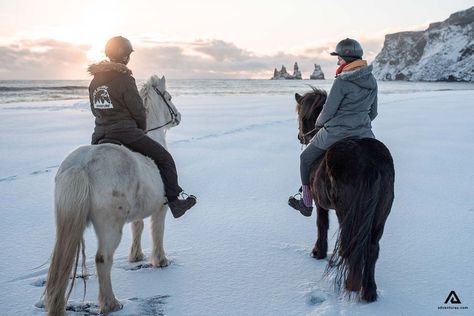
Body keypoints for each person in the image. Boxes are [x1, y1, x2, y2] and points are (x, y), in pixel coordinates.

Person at [88, 36, 196, 218]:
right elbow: (138, 110)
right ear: (125, 57)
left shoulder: (94, 82)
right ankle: (175, 202)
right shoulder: (125, 79)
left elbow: (94, 110)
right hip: (126, 133)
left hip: (98, 135)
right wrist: (140, 129)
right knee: (165, 159)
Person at [288, 38, 378, 216]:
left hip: (336, 133)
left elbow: (328, 112)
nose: (337, 61)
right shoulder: (372, 80)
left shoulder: (342, 81)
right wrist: (359, 123)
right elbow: (373, 113)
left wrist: (319, 124)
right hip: (365, 134)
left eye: (339, 58)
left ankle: (306, 202)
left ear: (345, 59)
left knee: (305, 158)